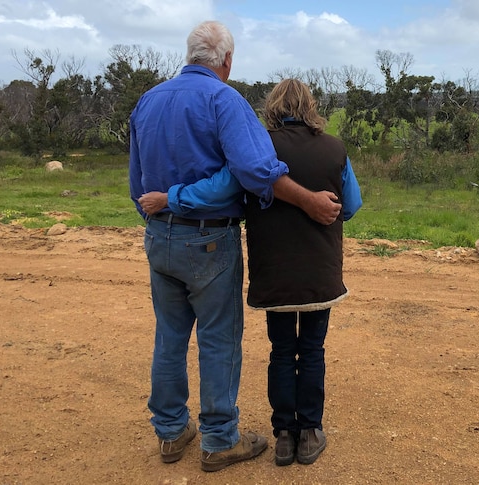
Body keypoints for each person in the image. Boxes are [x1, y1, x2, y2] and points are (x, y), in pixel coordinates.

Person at [129, 21, 341, 473]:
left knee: (169, 336)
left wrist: (161, 214)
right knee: (218, 340)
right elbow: (254, 172)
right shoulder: (223, 99)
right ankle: (219, 439)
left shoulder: (148, 101)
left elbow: (136, 178)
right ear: (226, 60)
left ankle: (170, 432)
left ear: (189, 55)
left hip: (158, 235)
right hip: (208, 237)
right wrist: (308, 201)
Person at [247, 79, 362, 466]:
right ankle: (310, 431)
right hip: (319, 270)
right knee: (311, 349)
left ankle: (284, 436)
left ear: (274, 105)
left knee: (281, 350)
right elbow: (351, 205)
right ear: (310, 106)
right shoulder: (334, 148)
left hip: (273, 269)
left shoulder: (259, 147)